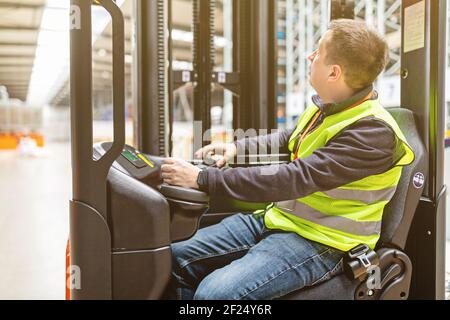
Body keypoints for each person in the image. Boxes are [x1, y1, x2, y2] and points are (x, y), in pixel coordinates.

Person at [161, 19, 414, 300]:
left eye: (317, 52)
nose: (310, 57)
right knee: (172, 258)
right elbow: (288, 139)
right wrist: (236, 149)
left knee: (214, 295)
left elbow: (293, 178)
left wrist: (202, 179)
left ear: (334, 72)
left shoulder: (372, 133)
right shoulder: (328, 108)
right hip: (280, 220)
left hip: (322, 243)